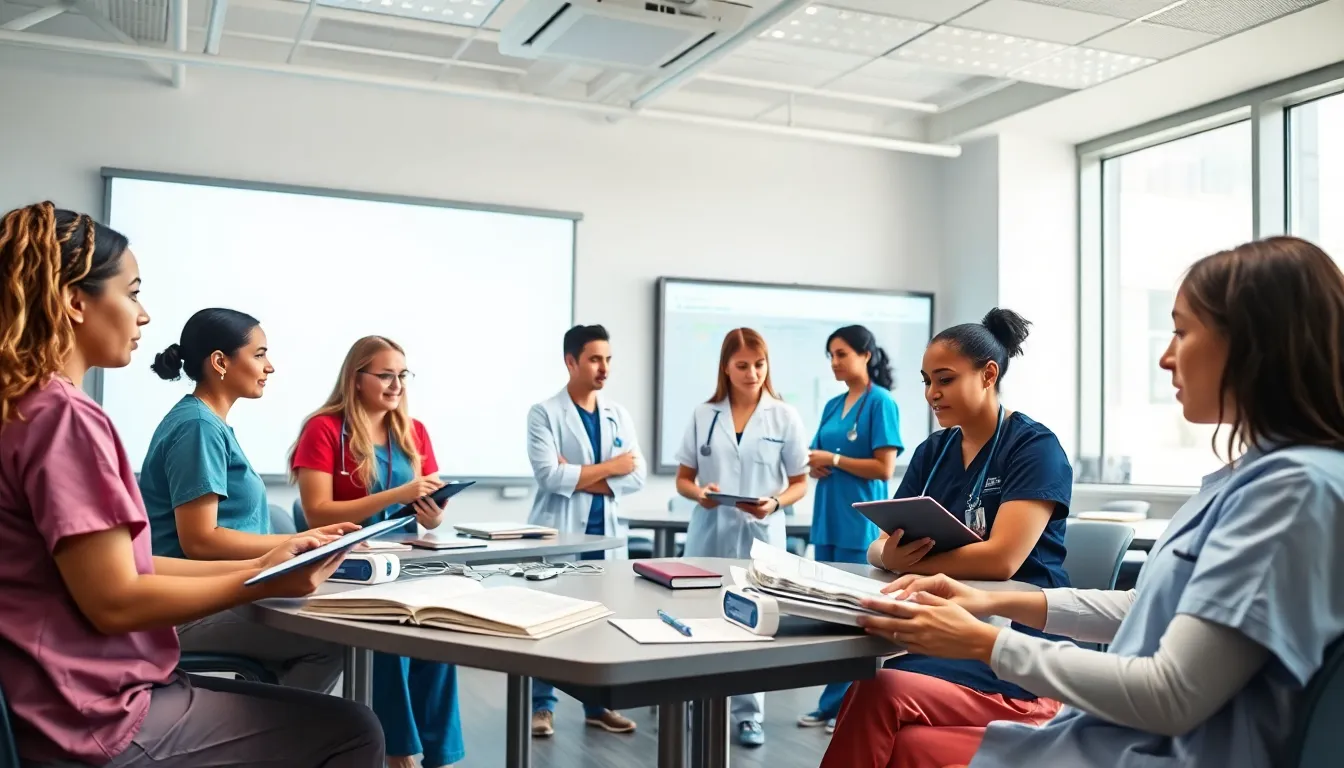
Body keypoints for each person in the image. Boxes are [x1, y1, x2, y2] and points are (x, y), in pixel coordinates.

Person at [835, 236, 1344, 768]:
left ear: (1254, 344)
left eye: (1182, 330)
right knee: (909, 738)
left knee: (905, 732)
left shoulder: (1292, 492)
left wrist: (988, 643)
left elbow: (1170, 695)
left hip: (1152, 748)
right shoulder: (1248, 479)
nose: (1167, 356)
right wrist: (990, 602)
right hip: (1117, 730)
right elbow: (1143, 605)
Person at [0, 201, 384, 767]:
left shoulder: (21, 408)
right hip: (94, 718)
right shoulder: (66, 418)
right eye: (132, 293)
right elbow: (116, 599)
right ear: (74, 301)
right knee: (355, 731)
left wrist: (270, 563)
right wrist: (260, 579)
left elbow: (131, 568)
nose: (145, 315)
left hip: (50, 701)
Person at [822, 308, 1073, 766]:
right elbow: (878, 545)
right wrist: (888, 555)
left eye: (944, 380)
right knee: (889, 716)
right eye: (925, 382)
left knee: (879, 689)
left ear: (988, 375)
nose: (932, 395)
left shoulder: (1033, 448)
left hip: (1018, 653)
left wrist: (906, 563)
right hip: (949, 637)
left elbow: (1002, 561)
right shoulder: (934, 452)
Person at [139, 308, 347, 693]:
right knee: (332, 643)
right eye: (259, 354)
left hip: (212, 591)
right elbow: (199, 541)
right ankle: (284, 747)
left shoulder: (207, 423)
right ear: (220, 361)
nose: (270, 367)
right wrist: (292, 544)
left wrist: (312, 540)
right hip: (186, 606)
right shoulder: (197, 427)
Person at [291, 335, 464, 768]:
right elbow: (316, 513)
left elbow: (432, 517)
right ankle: (399, 752)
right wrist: (402, 491)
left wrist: (432, 512)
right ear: (357, 378)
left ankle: (441, 755)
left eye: (402, 375)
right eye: (385, 375)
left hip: (405, 558)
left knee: (441, 629)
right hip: (346, 563)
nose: (396, 385)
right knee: (390, 630)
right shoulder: (324, 428)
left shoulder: (413, 430)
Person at [675, 327, 810, 747]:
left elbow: (799, 482)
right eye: (742, 365)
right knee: (702, 619)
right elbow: (684, 479)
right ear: (726, 368)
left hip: (762, 533)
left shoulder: (784, 416)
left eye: (759, 364)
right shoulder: (704, 414)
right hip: (709, 533)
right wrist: (700, 494)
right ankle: (699, 702)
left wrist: (775, 502)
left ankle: (750, 715)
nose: (752, 373)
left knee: (755, 622)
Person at [525, 323, 645, 738]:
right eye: (595, 359)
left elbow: (638, 476)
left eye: (608, 359)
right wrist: (612, 467)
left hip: (605, 536)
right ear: (571, 361)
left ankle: (598, 705)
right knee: (549, 621)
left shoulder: (617, 414)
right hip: (559, 535)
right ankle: (542, 707)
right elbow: (548, 476)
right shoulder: (544, 412)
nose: (604, 368)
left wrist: (576, 475)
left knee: (600, 621)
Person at [799, 325, 904, 732]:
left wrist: (836, 461)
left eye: (841, 354)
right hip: (827, 518)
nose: (834, 363)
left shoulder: (881, 402)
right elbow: (814, 454)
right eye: (830, 355)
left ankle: (848, 705)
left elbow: (885, 467)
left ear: (865, 354)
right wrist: (816, 462)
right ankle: (830, 704)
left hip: (860, 526)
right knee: (829, 614)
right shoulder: (832, 404)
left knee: (856, 618)